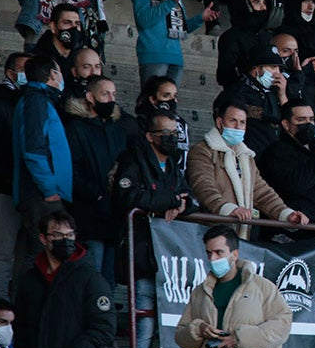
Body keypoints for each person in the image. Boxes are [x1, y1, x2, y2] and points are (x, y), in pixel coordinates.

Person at [111, 111, 195, 348]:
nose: (172, 138)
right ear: (150, 136)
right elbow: (126, 197)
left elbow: (189, 197)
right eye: (166, 133)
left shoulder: (172, 164)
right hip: (143, 257)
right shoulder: (132, 160)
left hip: (169, 262)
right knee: (144, 329)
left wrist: (181, 204)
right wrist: (168, 200)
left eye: (175, 133)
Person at [14, 211, 115, 348]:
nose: (65, 241)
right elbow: (19, 328)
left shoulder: (91, 278)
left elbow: (104, 329)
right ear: (43, 239)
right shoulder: (30, 280)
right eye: (58, 235)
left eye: (70, 235)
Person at [186, 98, 308, 240]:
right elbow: (204, 187)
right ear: (219, 123)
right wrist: (228, 209)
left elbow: (262, 193)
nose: (238, 127)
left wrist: (287, 214)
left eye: (242, 122)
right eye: (233, 121)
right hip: (210, 236)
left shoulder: (246, 157)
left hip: (240, 238)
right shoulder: (201, 151)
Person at [61, 75, 125, 285]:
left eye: (114, 94)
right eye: (105, 94)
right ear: (90, 96)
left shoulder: (117, 129)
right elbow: (72, 170)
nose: (111, 99)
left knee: (108, 280)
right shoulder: (76, 128)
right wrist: (96, 195)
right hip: (88, 214)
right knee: (89, 276)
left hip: (113, 215)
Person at [11, 55, 69, 279]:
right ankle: (27, 309)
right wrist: (50, 190)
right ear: (53, 75)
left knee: (38, 256)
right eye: (59, 71)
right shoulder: (36, 101)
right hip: (40, 196)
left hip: (42, 194)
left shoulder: (41, 100)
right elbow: (33, 150)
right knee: (39, 257)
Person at [0, 53, 28, 297]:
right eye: (24, 69)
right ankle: (0, 308)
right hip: (3, 187)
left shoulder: (29, 102)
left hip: (23, 189)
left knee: (21, 255)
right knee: (2, 253)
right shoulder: (0, 102)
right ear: (10, 73)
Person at [222, 44, 292, 158]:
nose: (277, 73)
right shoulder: (236, 92)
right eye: (273, 67)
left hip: (273, 155)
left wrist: (282, 95)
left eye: (279, 68)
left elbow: (288, 120)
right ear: (256, 68)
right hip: (248, 155)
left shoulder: (274, 91)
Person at [133, 77, 190, 171]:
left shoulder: (181, 124)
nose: (173, 100)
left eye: (175, 96)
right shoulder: (139, 124)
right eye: (166, 95)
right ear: (153, 99)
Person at [29, 4, 82, 74]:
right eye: (67, 23)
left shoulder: (81, 54)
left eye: (77, 24)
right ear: (53, 27)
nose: (74, 28)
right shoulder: (39, 59)